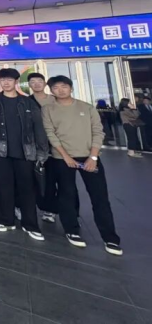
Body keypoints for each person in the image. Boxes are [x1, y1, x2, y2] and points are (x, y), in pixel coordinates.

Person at [42, 76, 122, 255]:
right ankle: (71, 229)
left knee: (99, 197)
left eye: (64, 86)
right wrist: (65, 156)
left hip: (89, 157)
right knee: (67, 194)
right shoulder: (48, 109)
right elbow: (50, 133)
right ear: (51, 91)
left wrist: (93, 157)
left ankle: (110, 238)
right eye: (56, 87)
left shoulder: (86, 107)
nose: (60, 90)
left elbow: (98, 131)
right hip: (62, 158)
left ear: (71, 88)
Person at [0, 68, 49, 241]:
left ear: (16, 81)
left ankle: (30, 224)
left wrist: (42, 150)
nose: (5, 83)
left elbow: (38, 127)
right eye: (2, 80)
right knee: (2, 187)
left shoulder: (27, 102)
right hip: (0, 151)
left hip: (25, 152)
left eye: (9, 80)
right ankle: (5, 220)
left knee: (27, 189)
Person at [27, 73, 59, 223]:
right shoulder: (27, 101)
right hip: (38, 145)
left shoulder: (55, 99)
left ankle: (72, 212)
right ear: (29, 85)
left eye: (39, 81)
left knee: (65, 180)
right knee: (43, 179)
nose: (36, 84)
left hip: (59, 144)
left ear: (45, 84)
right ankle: (48, 209)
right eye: (33, 82)